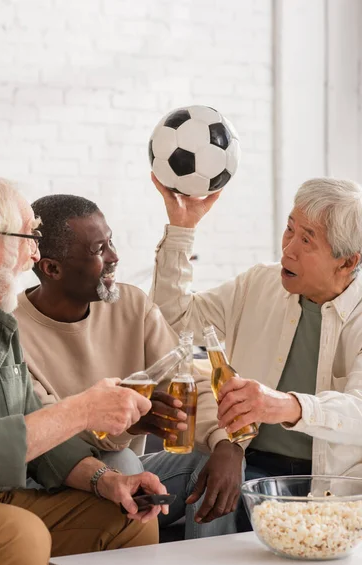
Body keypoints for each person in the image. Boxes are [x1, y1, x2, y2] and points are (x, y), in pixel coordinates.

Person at [0, 174, 167, 565]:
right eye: (28, 237)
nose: (34, 254)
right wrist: (82, 411)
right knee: (19, 535)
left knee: (129, 520)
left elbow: (34, 426)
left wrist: (106, 480)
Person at [13, 193, 244, 540]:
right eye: (98, 249)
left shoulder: (132, 305)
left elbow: (186, 376)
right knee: (121, 462)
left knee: (208, 468)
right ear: (52, 268)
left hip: (130, 473)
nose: (114, 256)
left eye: (111, 241)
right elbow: (49, 441)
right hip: (55, 487)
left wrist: (226, 443)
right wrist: (130, 425)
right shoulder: (12, 333)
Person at [150, 173, 362, 528]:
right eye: (290, 229)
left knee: (217, 491)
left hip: (322, 485)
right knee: (165, 477)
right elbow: (173, 319)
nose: (288, 248)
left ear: (347, 263)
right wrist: (181, 228)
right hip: (245, 458)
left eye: (307, 240)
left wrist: (284, 405)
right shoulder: (258, 284)